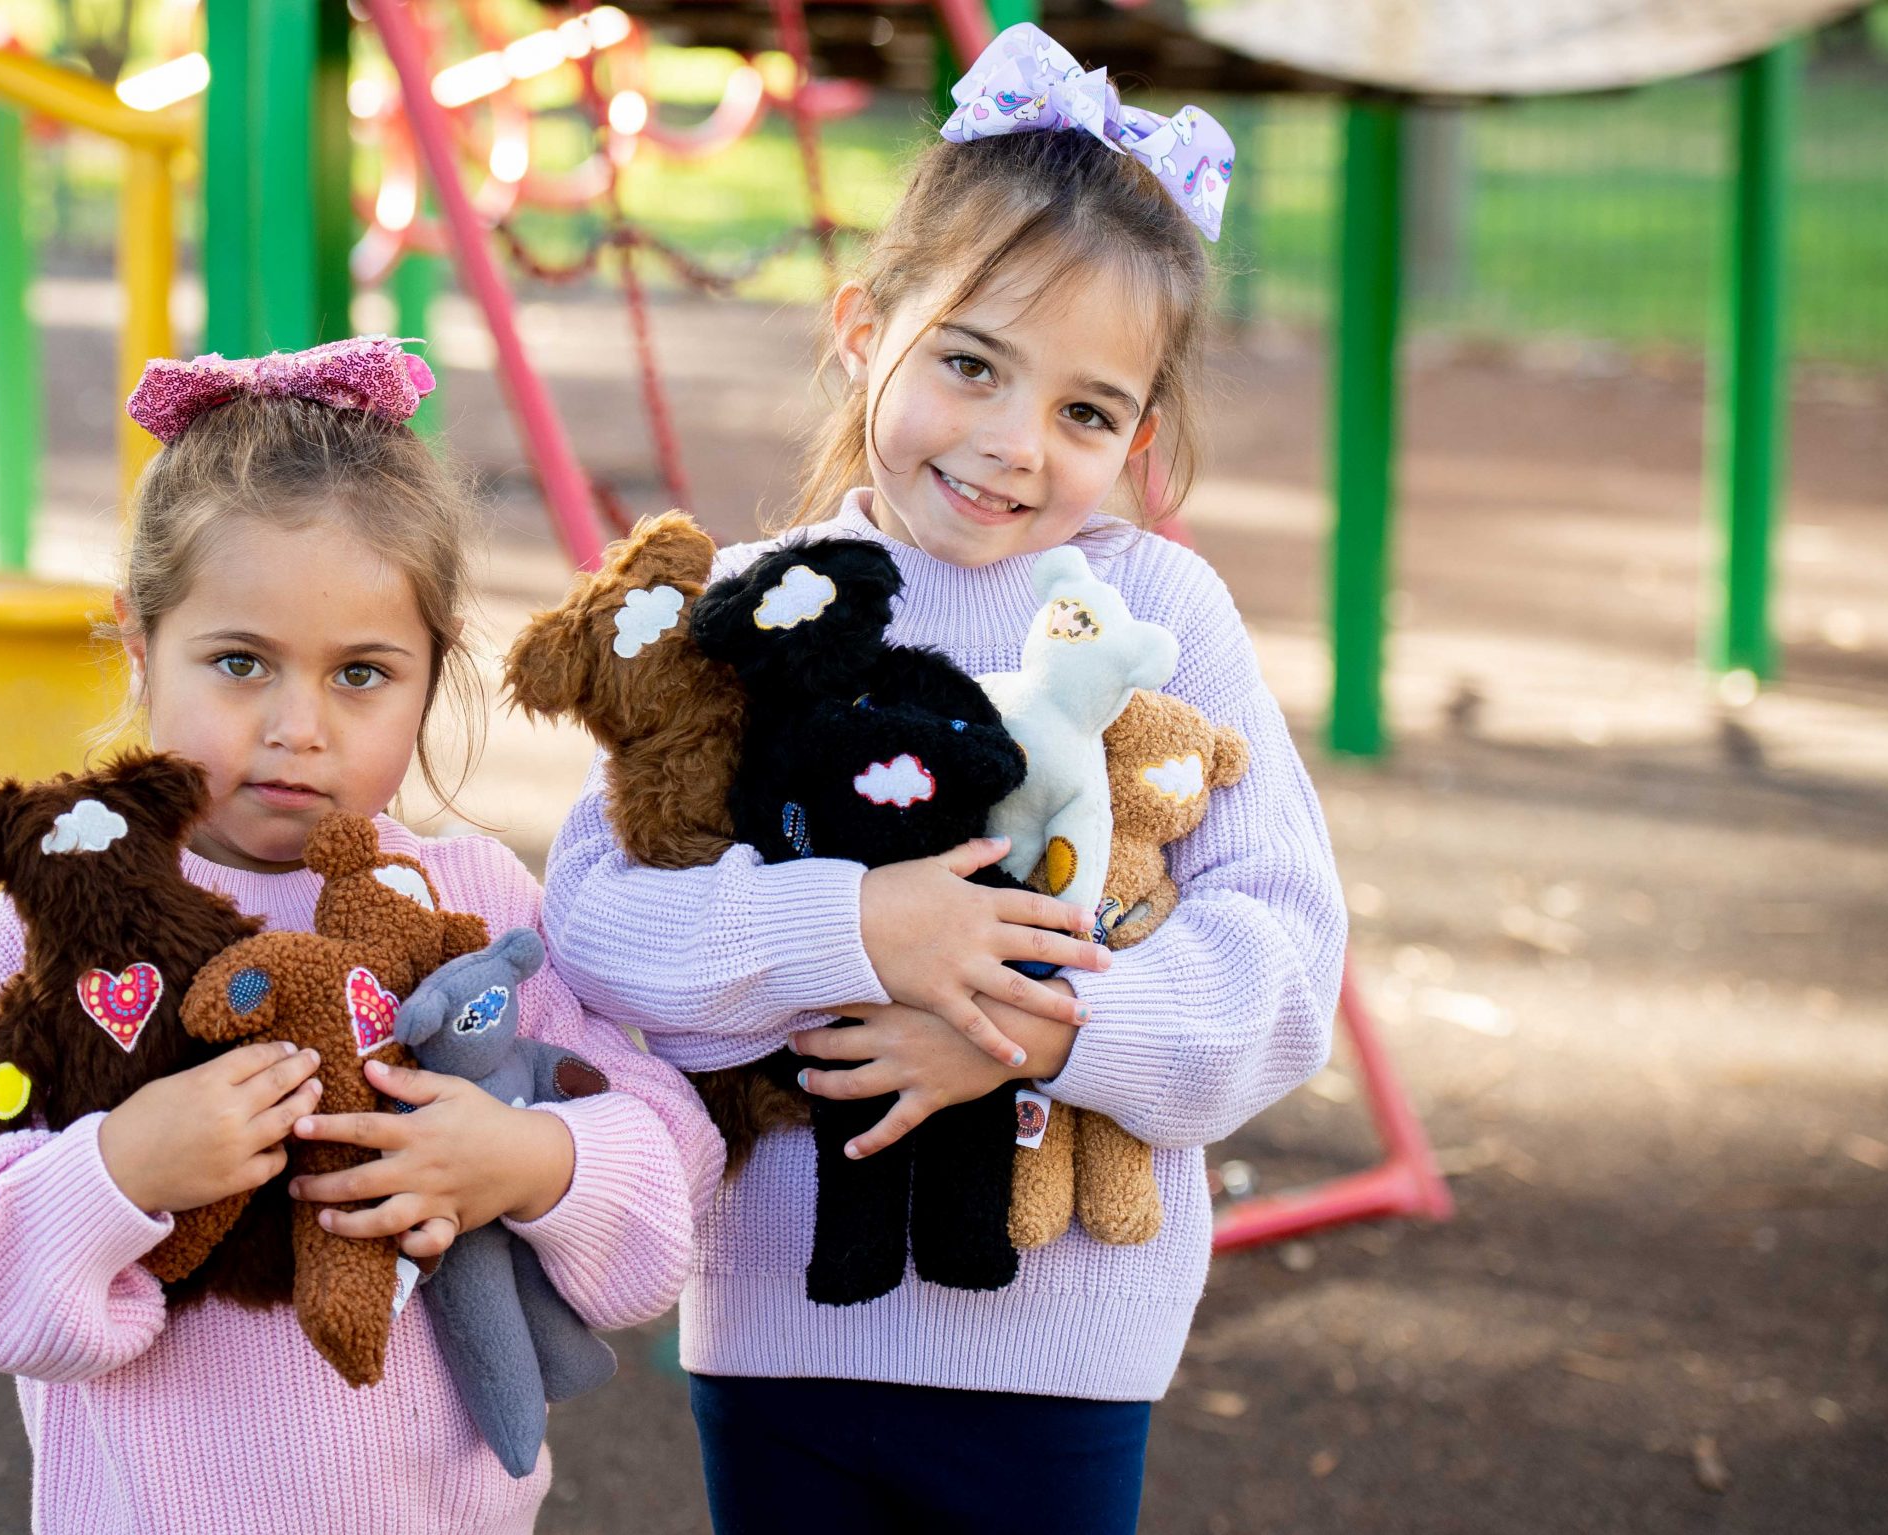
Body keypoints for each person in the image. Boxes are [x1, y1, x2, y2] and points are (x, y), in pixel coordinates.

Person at [543, 25, 1341, 1533]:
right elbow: (595, 917)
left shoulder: (1156, 614)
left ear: (1140, 432)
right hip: (783, 1332)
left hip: (1063, 1350)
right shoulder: (761, 606)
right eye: (970, 364)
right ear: (864, 330)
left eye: (1084, 411)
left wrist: (1039, 1024)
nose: (1010, 445)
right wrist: (853, 929)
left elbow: (1287, 960)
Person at [0, 337, 721, 1533]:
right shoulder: (63, 920)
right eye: (239, 662)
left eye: (361, 673)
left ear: (433, 673)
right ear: (138, 646)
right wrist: (120, 1168)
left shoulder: (469, 902)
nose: (297, 727)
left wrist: (526, 1161)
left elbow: (671, 1153)